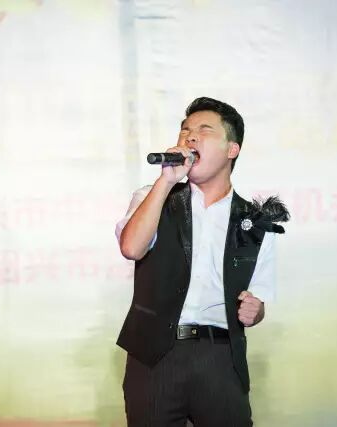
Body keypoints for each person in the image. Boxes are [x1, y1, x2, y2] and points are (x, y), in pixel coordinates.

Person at [115, 97, 289, 426]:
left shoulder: (256, 222)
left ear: (232, 149)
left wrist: (255, 311)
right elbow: (132, 248)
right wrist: (166, 181)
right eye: (185, 131)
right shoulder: (153, 197)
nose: (190, 137)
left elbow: (258, 299)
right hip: (155, 355)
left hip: (219, 358)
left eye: (204, 130)